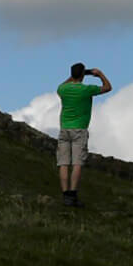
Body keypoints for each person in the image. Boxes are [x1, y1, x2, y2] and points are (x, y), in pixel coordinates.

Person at [55, 63, 111, 208]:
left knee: (63, 163)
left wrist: (78, 75)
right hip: (79, 129)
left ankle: (65, 195)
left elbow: (63, 84)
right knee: (77, 163)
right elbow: (107, 87)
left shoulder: (62, 89)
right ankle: (73, 195)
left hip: (64, 129)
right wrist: (99, 74)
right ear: (82, 75)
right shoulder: (86, 90)